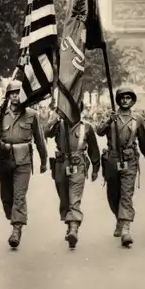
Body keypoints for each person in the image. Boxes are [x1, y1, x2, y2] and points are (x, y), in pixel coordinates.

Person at [96, 87, 145, 247]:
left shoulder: (138, 119)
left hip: (130, 159)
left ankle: (126, 228)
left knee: (126, 194)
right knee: (113, 195)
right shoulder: (110, 115)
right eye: (122, 97)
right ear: (118, 100)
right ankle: (119, 220)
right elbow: (98, 131)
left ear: (132, 100)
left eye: (128, 97)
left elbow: (143, 140)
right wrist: (108, 120)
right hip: (112, 160)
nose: (125, 100)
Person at [0, 80, 48, 249]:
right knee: (6, 196)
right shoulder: (1, 113)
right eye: (12, 93)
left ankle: (17, 229)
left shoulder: (31, 114)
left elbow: (40, 139)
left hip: (23, 160)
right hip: (4, 158)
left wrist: (44, 160)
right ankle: (14, 217)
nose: (15, 96)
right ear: (8, 96)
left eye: (18, 93)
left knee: (19, 195)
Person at [44, 102, 100, 249]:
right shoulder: (59, 125)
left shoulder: (86, 127)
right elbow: (47, 132)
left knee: (74, 197)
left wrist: (95, 167)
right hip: (61, 164)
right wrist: (55, 116)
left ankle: (74, 228)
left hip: (78, 164)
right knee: (64, 197)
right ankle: (70, 225)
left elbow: (93, 149)